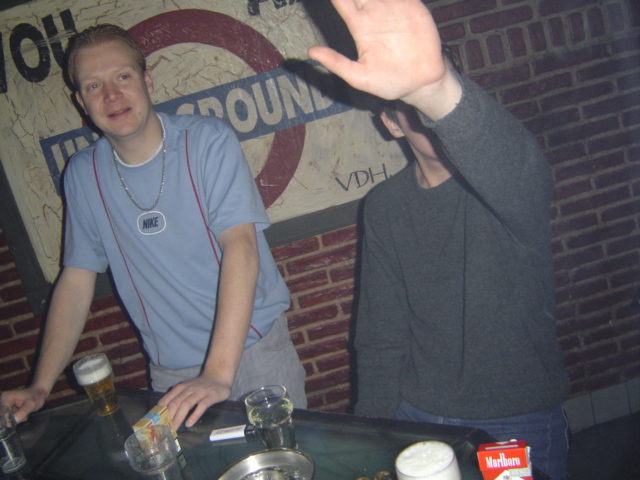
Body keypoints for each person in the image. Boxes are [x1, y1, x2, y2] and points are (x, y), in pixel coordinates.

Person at [308, 1, 570, 479]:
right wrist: (373, 432)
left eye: (431, 102)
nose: (427, 117)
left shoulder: (499, 180)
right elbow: (381, 336)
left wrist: (434, 88)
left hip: (512, 420)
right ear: (390, 122)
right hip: (416, 416)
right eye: (410, 105)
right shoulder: (385, 206)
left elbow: (522, 169)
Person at [0, 24, 306, 430]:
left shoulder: (207, 141)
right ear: (81, 102)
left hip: (255, 351)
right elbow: (75, 280)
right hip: (172, 373)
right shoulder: (82, 174)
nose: (111, 95)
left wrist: (217, 373)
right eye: (94, 86)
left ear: (147, 81)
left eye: (123, 77)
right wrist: (40, 386)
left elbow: (241, 247)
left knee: (287, 458)